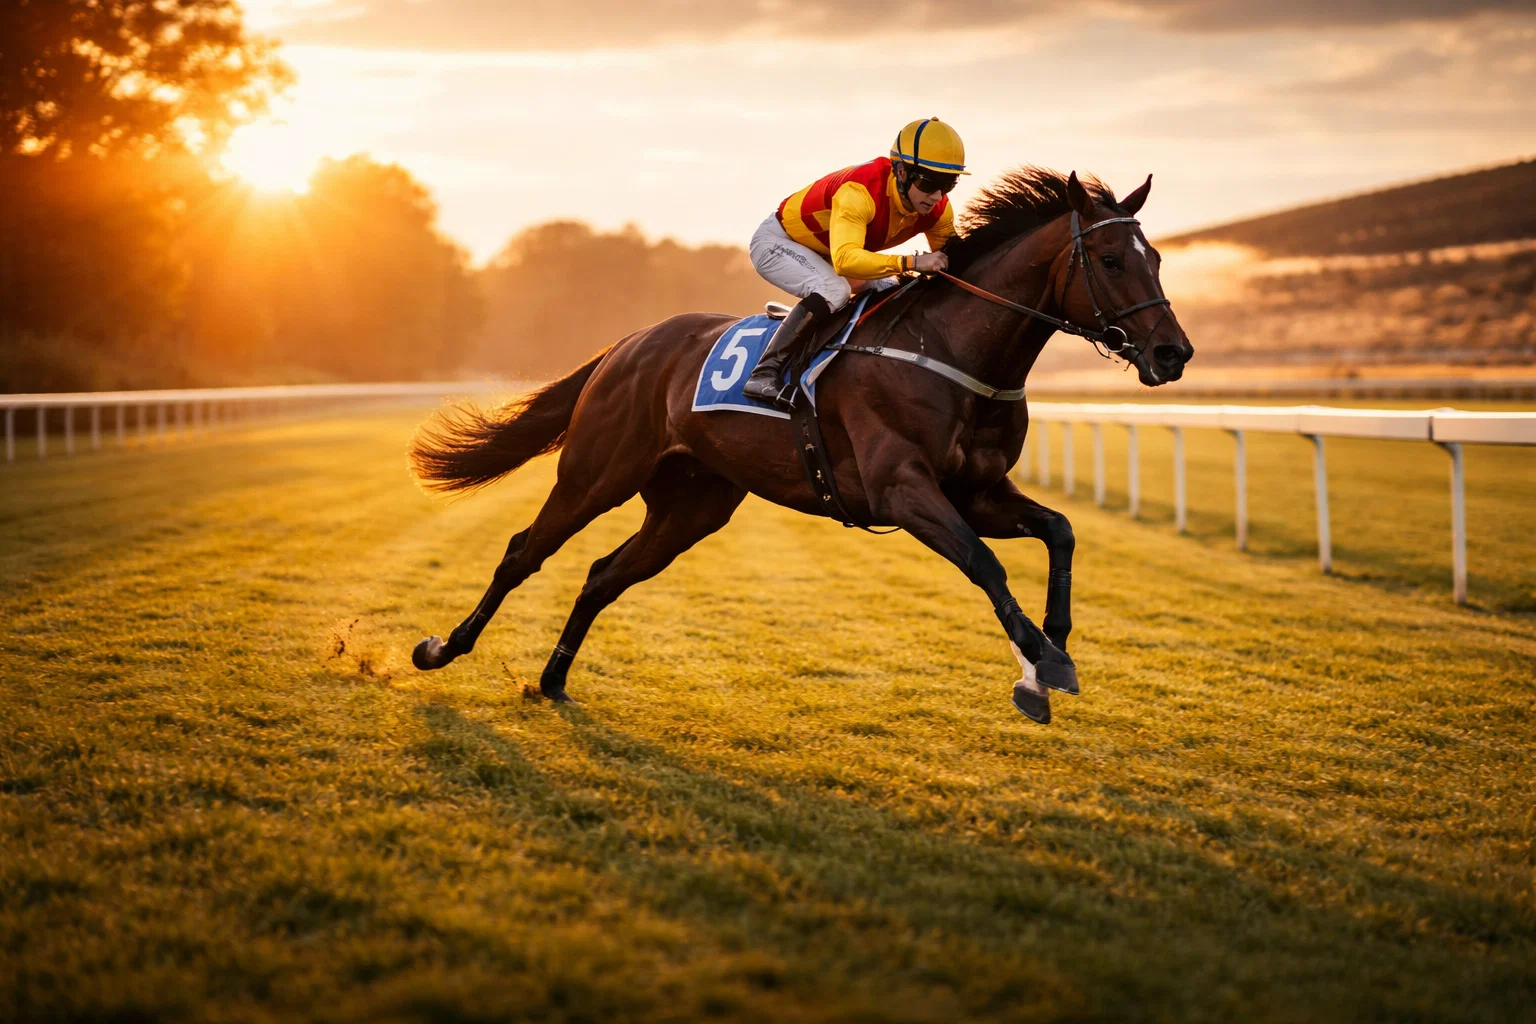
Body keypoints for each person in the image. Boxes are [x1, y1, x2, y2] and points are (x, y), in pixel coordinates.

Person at [742, 117, 966, 409]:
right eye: (927, 183)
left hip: (830, 253)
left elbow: (957, 266)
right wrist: (912, 262)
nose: (936, 196)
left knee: (894, 290)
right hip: (780, 242)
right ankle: (764, 374)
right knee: (834, 289)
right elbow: (846, 261)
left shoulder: (937, 209)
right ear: (901, 171)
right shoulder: (859, 192)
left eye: (948, 184)